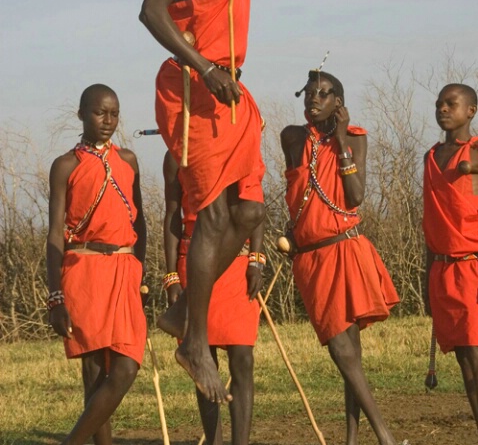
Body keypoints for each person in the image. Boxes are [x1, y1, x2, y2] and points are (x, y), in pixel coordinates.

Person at [139, 0, 265, 403]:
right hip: (195, 89)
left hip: (229, 89)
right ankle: (194, 340)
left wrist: (222, 73)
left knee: (252, 210)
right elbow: (151, 10)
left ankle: (184, 312)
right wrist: (205, 67)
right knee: (211, 213)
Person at [280, 69, 401, 445]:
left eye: (324, 94)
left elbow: (355, 195)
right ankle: (378, 437)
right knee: (343, 351)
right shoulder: (293, 137)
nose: (314, 99)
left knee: (347, 352)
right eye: (309, 94)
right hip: (312, 258)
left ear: (338, 103)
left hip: (347, 248)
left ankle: (374, 437)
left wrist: (343, 140)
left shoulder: (355, 140)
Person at [46, 84, 147, 445]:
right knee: (94, 375)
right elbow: (55, 235)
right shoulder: (65, 166)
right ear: (81, 114)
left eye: (114, 113)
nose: (108, 121)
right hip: (83, 271)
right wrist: (55, 297)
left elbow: (141, 223)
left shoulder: (129, 160)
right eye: (99, 112)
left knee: (125, 367)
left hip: (123, 269)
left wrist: (141, 271)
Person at [163, 150, 263, 445]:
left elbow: (256, 201)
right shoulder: (176, 154)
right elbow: (172, 216)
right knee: (202, 356)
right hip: (195, 258)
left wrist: (256, 259)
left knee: (243, 357)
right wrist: (171, 277)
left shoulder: (241, 145)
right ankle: (215, 441)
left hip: (236, 258)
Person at [423, 83, 478, 428]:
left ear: (470, 111)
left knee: (476, 355)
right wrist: (427, 279)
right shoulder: (429, 157)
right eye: (439, 104)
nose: (442, 109)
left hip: (472, 266)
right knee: (466, 365)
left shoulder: (475, 151)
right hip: (441, 271)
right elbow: (430, 221)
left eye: (451, 104)